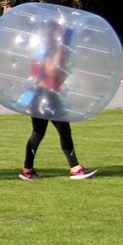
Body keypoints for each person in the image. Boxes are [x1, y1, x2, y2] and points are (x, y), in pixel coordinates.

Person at [19, 22, 96, 180]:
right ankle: (75, 168)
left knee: (38, 132)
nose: (60, 34)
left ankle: (27, 171)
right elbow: (51, 70)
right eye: (57, 32)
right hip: (46, 95)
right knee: (63, 130)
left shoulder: (43, 49)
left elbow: (59, 74)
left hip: (40, 94)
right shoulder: (47, 50)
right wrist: (61, 50)